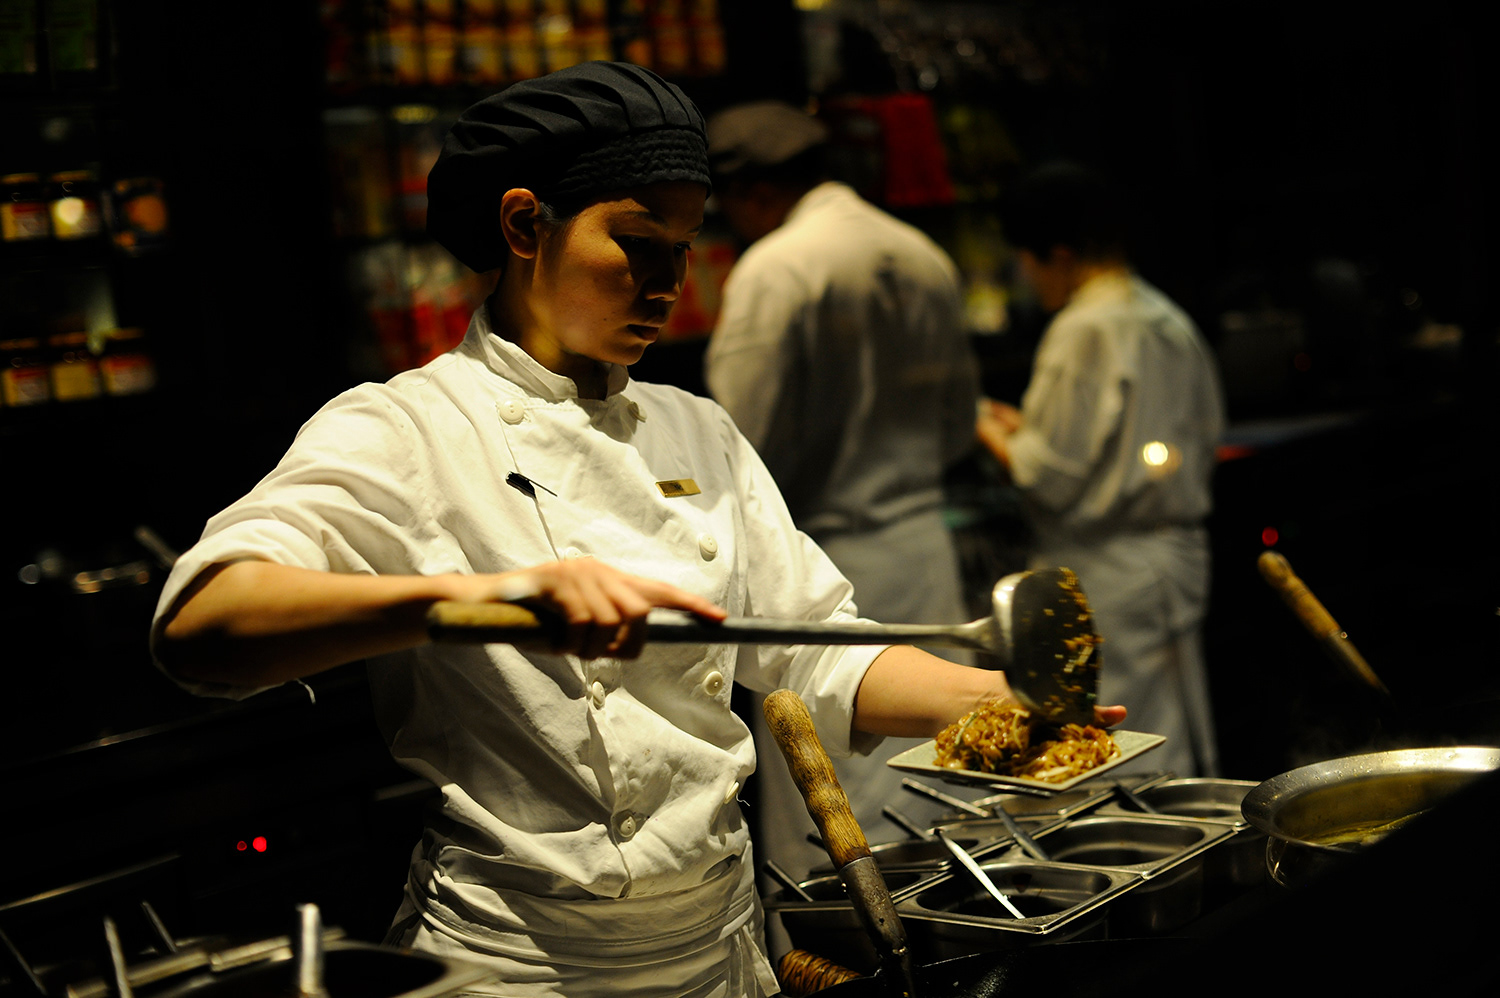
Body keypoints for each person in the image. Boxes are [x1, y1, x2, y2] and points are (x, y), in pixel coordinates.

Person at [150, 65, 1124, 998]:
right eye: (637, 242)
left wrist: (996, 696)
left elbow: (817, 657)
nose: (668, 281)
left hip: (719, 941)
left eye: (686, 247)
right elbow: (201, 625)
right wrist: (482, 599)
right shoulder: (407, 425)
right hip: (520, 962)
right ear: (525, 222)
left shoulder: (697, 426)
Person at [700, 101, 982, 886]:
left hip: (821, 561)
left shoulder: (778, 266)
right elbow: (958, 424)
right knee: (943, 799)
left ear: (754, 193)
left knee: (840, 831)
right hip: (926, 546)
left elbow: (737, 451)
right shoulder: (920, 250)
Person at [975, 161, 1223, 778]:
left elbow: (1047, 473)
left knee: (1128, 740)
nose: (1027, 279)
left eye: (1027, 262)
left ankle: (1156, 868)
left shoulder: (1085, 325)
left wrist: (981, 423)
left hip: (1112, 567)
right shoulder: (1163, 314)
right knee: (1177, 727)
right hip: (1173, 552)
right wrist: (1024, 429)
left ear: (1058, 254)